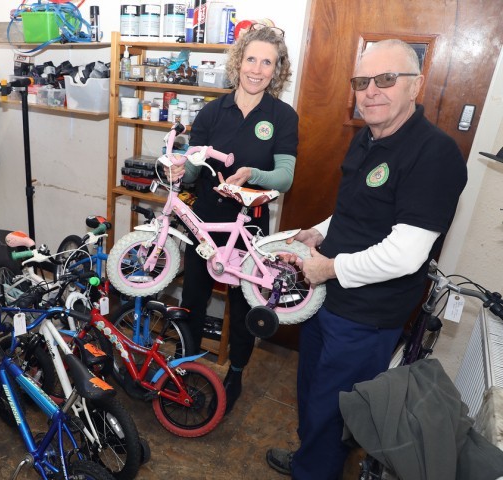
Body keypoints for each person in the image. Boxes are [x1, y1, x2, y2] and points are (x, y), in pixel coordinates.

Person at [265, 39, 468, 479]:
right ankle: (310, 460)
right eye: (362, 81)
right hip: (327, 296)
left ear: (416, 86)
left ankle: (313, 472)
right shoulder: (367, 138)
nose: (371, 90)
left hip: (366, 313)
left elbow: (405, 254)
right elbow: (359, 209)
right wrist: (321, 229)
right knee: (312, 392)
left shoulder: (435, 155)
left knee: (335, 406)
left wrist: (329, 267)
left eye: (386, 79)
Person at [168, 26, 299, 415]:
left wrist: (250, 174)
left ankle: (236, 374)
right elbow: (193, 170)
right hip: (205, 221)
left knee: (244, 306)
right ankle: (185, 363)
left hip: (250, 225)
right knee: (193, 296)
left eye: (267, 62)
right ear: (238, 62)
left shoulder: (282, 117)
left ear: (277, 71)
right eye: (251, 59)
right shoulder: (211, 112)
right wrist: (181, 170)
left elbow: (285, 176)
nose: (257, 69)